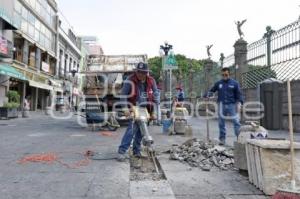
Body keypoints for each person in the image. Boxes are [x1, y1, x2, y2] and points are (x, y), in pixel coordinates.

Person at [117, 62, 160, 161]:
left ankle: (137, 151)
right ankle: (122, 151)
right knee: (131, 130)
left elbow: (156, 96)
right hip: (134, 108)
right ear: (136, 71)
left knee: (141, 132)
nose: (141, 74)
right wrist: (125, 109)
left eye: (143, 72)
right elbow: (123, 95)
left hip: (147, 109)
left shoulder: (151, 81)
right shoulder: (130, 80)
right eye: (139, 72)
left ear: (146, 73)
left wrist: (154, 112)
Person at [206, 67, 243, 145]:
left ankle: (240, 139)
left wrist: (239, 103)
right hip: (221, 105)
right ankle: (222, 139)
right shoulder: (219, 83)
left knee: (236, 122)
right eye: (223, 75)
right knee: (221, 123)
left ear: (229, 74)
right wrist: (206, 95)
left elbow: (239, 95)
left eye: (226, 74)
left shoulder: (235, 83)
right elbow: (212, 90)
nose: (224, 76)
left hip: (232, 105)